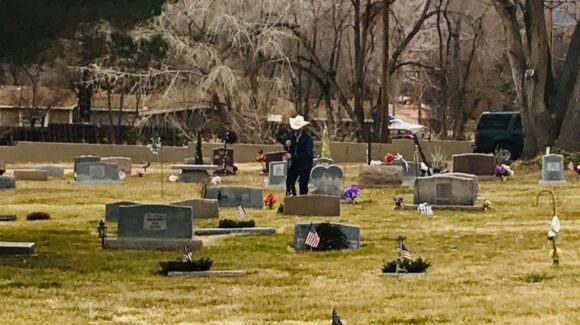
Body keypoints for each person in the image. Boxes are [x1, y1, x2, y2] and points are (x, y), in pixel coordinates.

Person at [285, 115, 314, 196]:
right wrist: (287, 145)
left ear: (302, 128)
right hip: (295, 163)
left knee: (303, 185)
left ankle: (302, 202)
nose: (296, 130)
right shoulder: (291, 135)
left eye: (298, 128)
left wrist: (293, 156)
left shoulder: (308, 138)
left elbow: (308, 154)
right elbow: (288, 148)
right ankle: (292, 197)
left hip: (305, 165)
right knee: (289, 181)